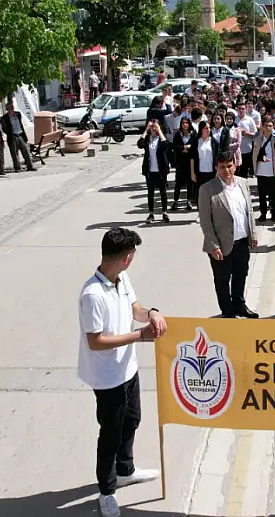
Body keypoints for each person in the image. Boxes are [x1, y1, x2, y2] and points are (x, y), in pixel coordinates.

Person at [78, 228, 165, 517]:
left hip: (128, 368)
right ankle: (107, 491)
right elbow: (96, 341)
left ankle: (126, 469)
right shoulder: (92, 294)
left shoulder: (121, 278)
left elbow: (135, 309)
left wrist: (151, 313)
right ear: (127, 258)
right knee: (110, 435)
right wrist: (139, 337)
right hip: (107, 377)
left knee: (132, 420)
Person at [198, 153, 259, 319]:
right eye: (222, 166)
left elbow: (249, 211)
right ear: (216, 168)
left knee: (241, 276)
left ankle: (240, 306)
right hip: (221, 245)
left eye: (229, 165)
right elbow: (205, 221)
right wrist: (213, 245)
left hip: (241, 242)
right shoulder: (207, 189)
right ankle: (227, 311)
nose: (227, 170)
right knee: (222, 280)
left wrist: (253, 233)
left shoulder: (243, 183)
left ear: (235, 165)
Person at [137, 120, 171, 224]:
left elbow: (166, 146)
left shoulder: (161, 138)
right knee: (150, 192)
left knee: (163, 192)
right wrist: (146, 129)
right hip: (150, 170)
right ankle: (151, 213)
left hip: (161, 170)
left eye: (155, 127)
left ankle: (164, 212)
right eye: (152, 127)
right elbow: (139, 144)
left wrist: (159, 130)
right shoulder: (147, 139)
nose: (153, 129)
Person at [251, 119, 275, 221]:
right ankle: (263, 213)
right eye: (266, 126)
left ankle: (274, 213)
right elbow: (254, 155)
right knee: (262, 194)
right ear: (262, 127)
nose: (268, 128)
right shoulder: (257, 140)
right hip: (261, 171)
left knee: (274, 194)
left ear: (273, 127)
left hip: (273, 171)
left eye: (270, 126)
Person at [1, 101, 36, 173]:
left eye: (12, 107)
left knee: (26, 151)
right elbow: (3, 127)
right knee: (14, 153)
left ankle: (30, 166)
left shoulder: (18, 114)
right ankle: (17, 167)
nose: (12, 108)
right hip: (12, 137)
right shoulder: (5, 118)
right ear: (7, 109)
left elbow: (21, 124)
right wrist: (8, 133)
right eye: (10, 107)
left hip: (20, 135)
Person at [190, 121, 217, 208]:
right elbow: (192, 158)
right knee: (200, 193)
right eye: (206, 128)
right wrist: (192, 173)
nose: (208, 130)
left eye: (209, 128)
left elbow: (217, 157)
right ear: (201, 129)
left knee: (212, 194)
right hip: (200, 172)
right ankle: (200, 212)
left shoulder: (213, 142)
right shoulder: (196, 141)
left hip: (211, 172)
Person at [171, 117, 196, 211]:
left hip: (190, 161)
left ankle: (189, 200)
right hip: (180, 161)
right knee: (178, 182)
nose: (184, 125)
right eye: (183, 123)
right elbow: (174, 146)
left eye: (186, 123)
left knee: (190, 182)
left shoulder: (193, 134)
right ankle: (175, 201)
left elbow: (196, 145)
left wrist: (190, 147)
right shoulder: (178, 134)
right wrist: (182, 148)